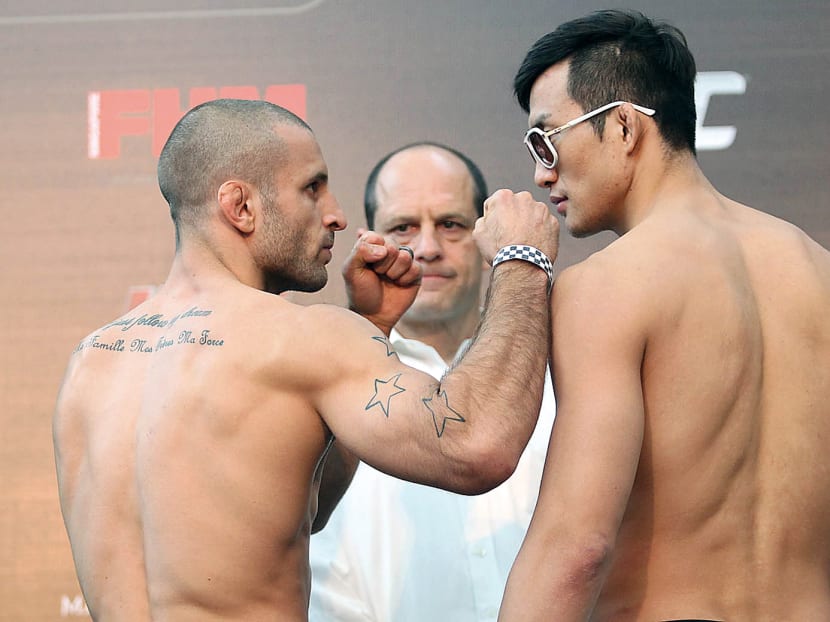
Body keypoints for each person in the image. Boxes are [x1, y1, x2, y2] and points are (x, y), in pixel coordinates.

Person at [51, 98, 560, 622]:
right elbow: (477, 444)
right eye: (311, 188)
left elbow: (296, 510)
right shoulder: (303, 337)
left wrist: (373, 327)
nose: (335, 214)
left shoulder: (89, 363)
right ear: (240, 206)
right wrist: (522, 259)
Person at [498, 9, 830, 621]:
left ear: (623, 126)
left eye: (546, 139)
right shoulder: (818, 270)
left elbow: (575, 547)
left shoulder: (605, 286)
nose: (541, 172)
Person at [309, 142, 556, 621]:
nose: (426, 247)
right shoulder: (323, 382)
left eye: (451, 224)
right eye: (404, 227)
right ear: (370, 238)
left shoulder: (561, 368)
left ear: (486, 238)